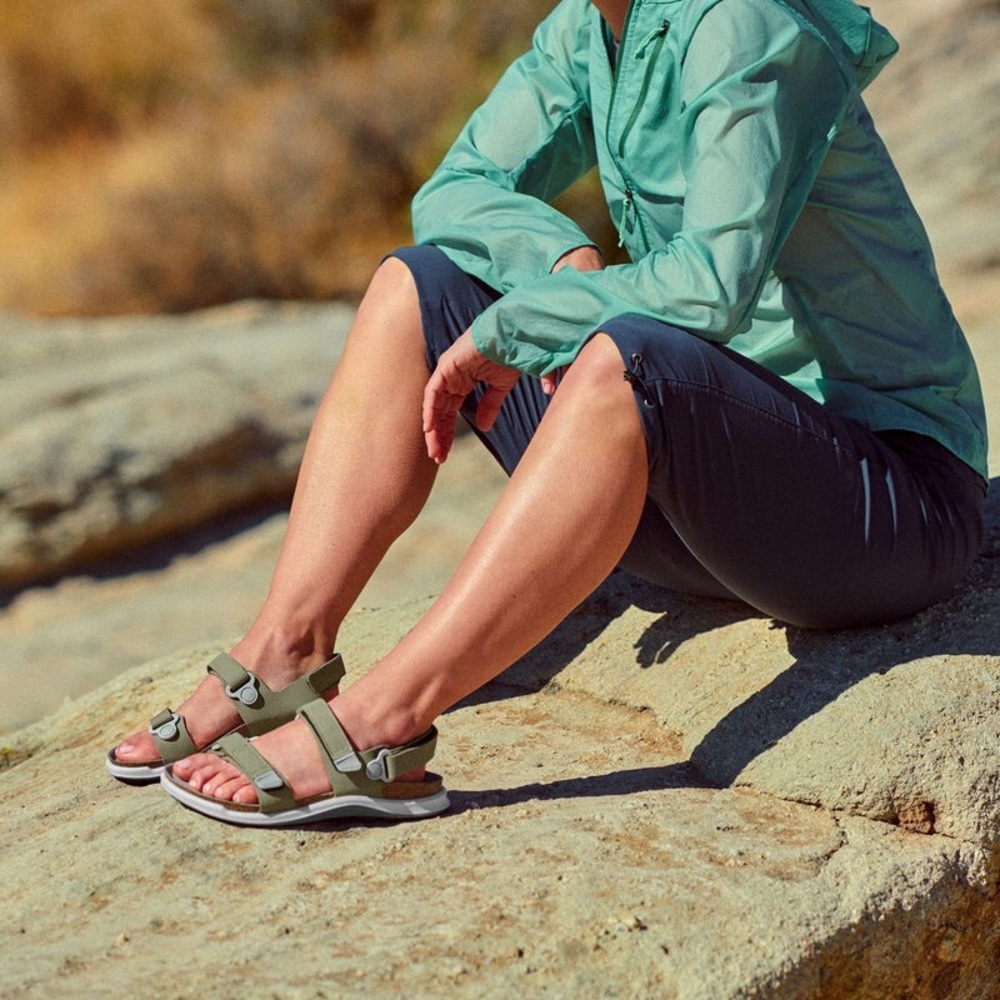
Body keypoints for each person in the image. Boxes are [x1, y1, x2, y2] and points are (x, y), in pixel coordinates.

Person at [107, 0, 988, 826]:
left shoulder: (745, 28)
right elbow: (455, 188)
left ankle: (382, 726)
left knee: (627, 358)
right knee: (417, 284)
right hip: (710, 517)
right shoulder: (593, 28)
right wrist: (560, 262)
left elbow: (715, 286)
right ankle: (285, 649)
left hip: (886, 508)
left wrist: (532, 320)